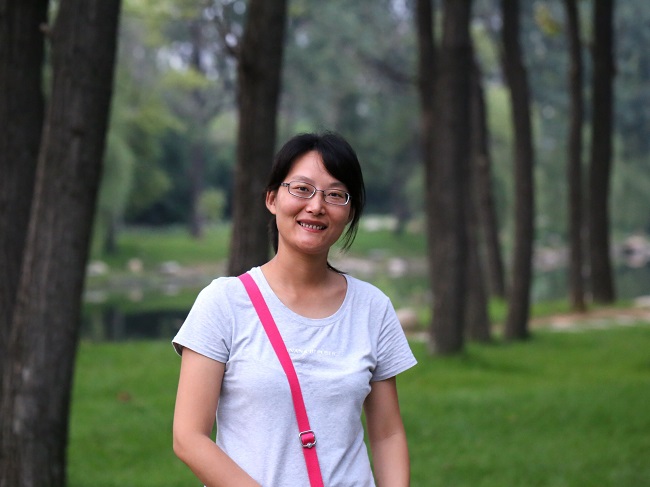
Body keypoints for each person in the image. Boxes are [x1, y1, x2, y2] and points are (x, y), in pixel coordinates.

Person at [172, 131, 417, 487]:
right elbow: (188, 437)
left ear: (349, 212)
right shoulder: (223, 303)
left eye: (335, 195)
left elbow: (387, 434)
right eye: (302, 189)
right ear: (272, 199)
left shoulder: (372, 308)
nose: (316, 206)